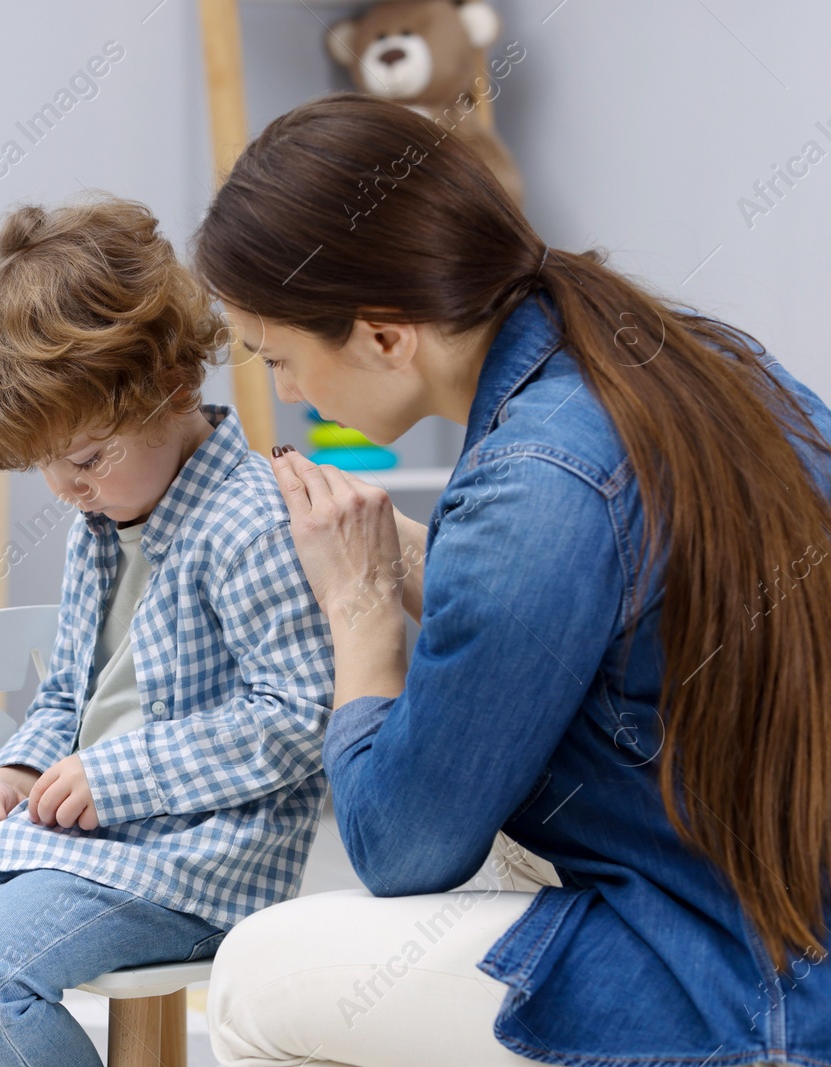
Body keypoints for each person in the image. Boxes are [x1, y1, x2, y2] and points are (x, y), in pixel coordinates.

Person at [193, 91, 831, 1067]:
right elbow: (578, 600)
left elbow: (404, 845)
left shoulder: (534, 480)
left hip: (735, 973)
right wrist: (398, 552)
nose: (286, 392)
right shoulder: (674, 355)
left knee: (256, 973)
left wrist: (360, 611)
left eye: (279, 356)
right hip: (778, 908)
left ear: (383, 335)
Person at [0, 195, 339, 1067]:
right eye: (47, 470)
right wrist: (17, 767)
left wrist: (115, 773)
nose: (66, 491)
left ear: (172, 388)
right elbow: (71, 690)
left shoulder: (251, 521)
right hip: (87, 835)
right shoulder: (99, 524)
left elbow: (301, 716)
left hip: (196, 859)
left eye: (85, 460)